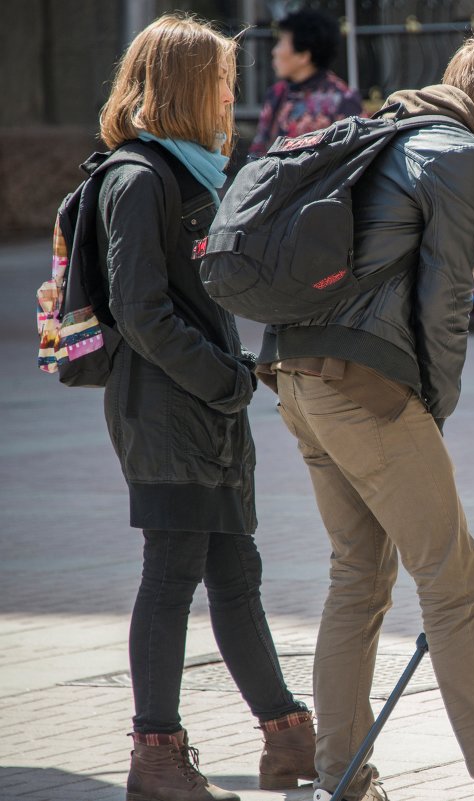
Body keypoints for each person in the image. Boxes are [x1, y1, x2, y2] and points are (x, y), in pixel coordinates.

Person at [256, 35, 474, 801]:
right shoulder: (465, 155)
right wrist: (431, 408)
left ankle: (342, 779)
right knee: (454, 583)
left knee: (358, 578)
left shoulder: (388, 127)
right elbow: (447, 300)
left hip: (295, 374)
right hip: (364, 390)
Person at [96, 13, 316, 801]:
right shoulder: (139, 177)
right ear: (189, 86)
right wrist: (226, 379)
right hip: (166, 407)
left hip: (205, 407)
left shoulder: (192, 172)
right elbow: (140, 309)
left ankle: (290, 742)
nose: (234, 94)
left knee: (236, 571)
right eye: (222, 79)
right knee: (173, 570)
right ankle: (155, 758)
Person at [248, 9, 362, 157]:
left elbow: (357, 157)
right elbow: (258, 151)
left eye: (281, 43)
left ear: (303, 56)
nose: (274, 51)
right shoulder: (276, 93)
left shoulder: (343, 99)